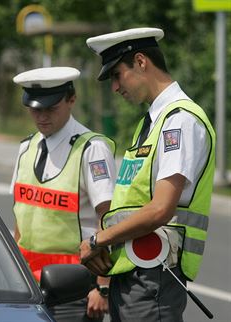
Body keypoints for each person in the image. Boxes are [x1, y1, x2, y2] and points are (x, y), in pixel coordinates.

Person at [79, 27, 216, 322]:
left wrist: (97, 241)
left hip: (153, 277)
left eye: (117, 75)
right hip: (134, 274)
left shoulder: (178, 121)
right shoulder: (151, 123)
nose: (115, 87)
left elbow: (160, 209)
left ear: (141, 62)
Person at [11, 67, 117, 322]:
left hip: (76, 290)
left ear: (71, 100)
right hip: (29, 286)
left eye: (50, 108)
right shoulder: (26, 148)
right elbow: (20, 217)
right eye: (36, 109)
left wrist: (103, 286)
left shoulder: (91, 149)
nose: (42, 117)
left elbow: (110, 219)